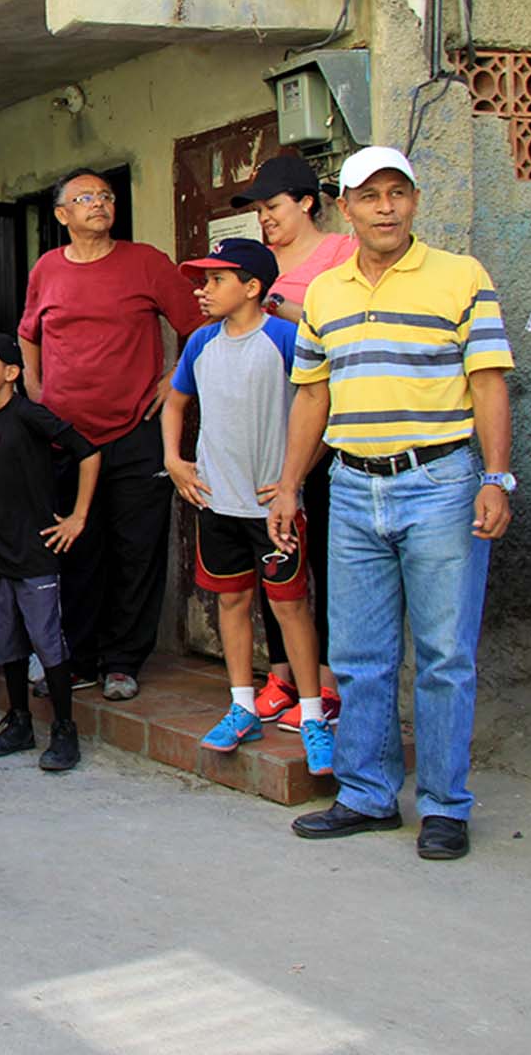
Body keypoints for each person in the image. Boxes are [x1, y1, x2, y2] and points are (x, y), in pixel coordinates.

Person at [270, 147, 514, 861]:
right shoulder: (325, 294)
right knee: (359, 652)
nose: (385, 206)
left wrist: (497, 478)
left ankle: (444, 806)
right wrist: (288, 484)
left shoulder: (460, 276)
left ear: (413, 202)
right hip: (350, 486)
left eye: (396, 193)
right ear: (344, 208)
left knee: (443, 655)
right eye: (369, 195)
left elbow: (491, 381)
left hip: (441, 484)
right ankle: (368, 794)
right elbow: (312, 394)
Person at [19, 168, 202, 701]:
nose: (98, 205)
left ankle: (123, 660)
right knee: (75, 546)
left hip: (136, 432)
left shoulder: (147, 262)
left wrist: (174, 379)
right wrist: (34, 388)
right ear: (62, 215)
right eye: (84, 198)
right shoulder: (47, 269)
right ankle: (78, 656)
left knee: (137, 548)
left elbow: (198, 326)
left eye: (105, 196)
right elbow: (30, 332)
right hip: (67, 439)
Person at [162, 238, 329, 773]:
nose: (202, 290)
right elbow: (176, 400)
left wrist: (291, 479)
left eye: (215, 280)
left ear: (253, 287)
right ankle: (241, 706)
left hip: (276, 508)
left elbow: (325, 406)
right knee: (231, 604)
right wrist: (175, 460)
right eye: (202, 280)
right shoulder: (200, 343)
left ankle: (312, 714)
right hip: (218, 502)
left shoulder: (285, 337)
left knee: (290, 607)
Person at [232, 155, 355, 730]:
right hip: (263, 434)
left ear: (307, 202)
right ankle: (279, 673)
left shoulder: (340, 254)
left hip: (323, 438)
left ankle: (325, 680)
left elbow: (347, 326)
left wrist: (274, 304)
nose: (265, 220)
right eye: (258, 212)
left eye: (273, 207)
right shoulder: (259, 263)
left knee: (323, 561)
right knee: (270, 556)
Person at [0, 333, 100, 772]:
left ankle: (63, 729)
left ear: (12, 373)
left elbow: (88, 452)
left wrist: (77, 517)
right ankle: (19, 722)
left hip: (36, 550)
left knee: (47, 641)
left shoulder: (30, 416)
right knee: (5, 641)